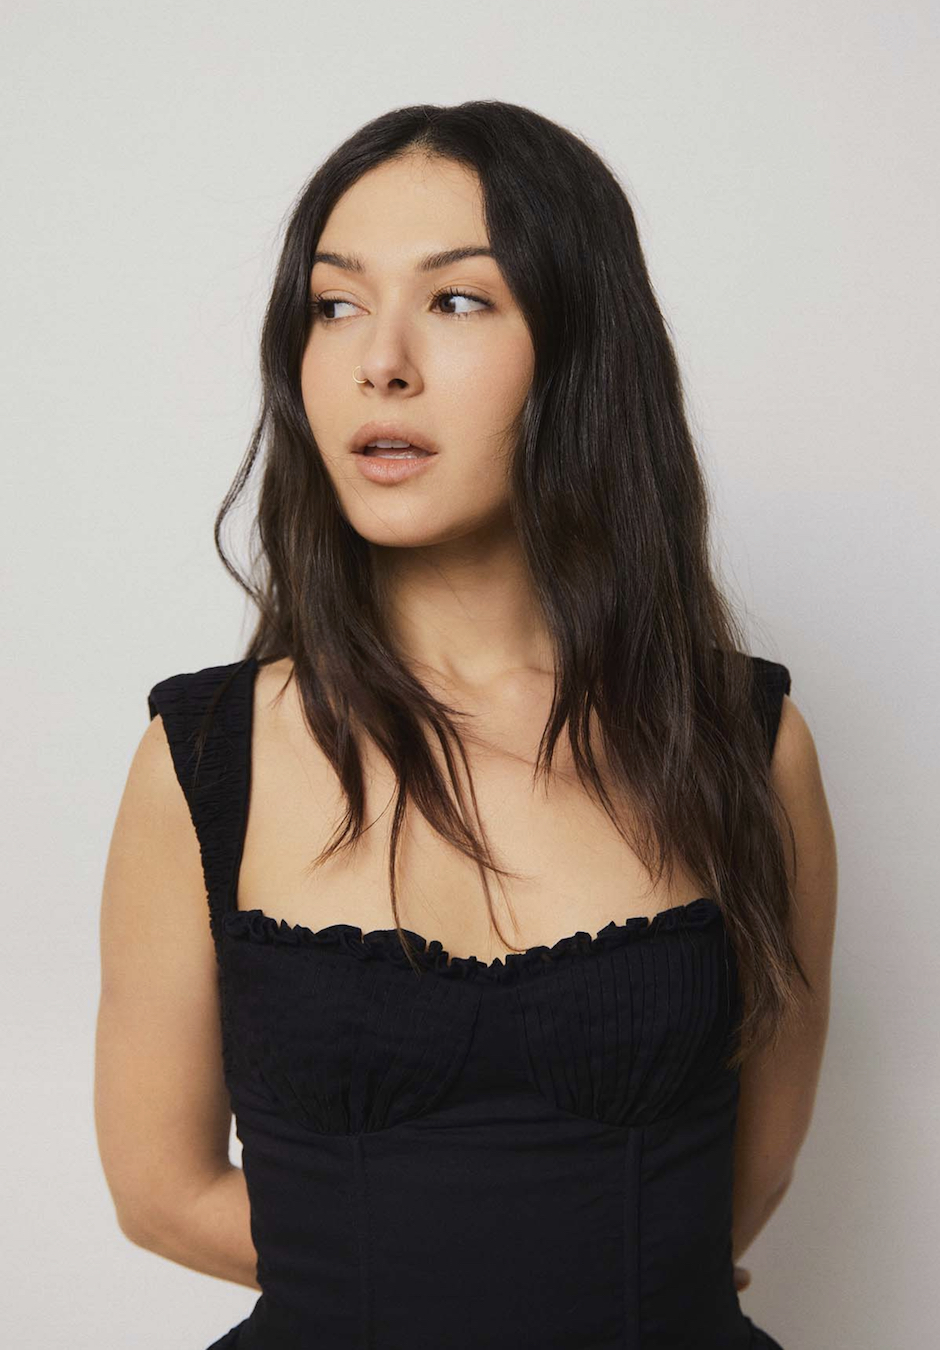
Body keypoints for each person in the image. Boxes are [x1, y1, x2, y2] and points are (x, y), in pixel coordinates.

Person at [94, 101, 837, 1349]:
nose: (380, 360)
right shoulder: (204, 757)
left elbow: (746, 1179)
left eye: (457, 301)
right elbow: (161, 1194)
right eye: (334, 305)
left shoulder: (744, 742)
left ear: (582, 351)